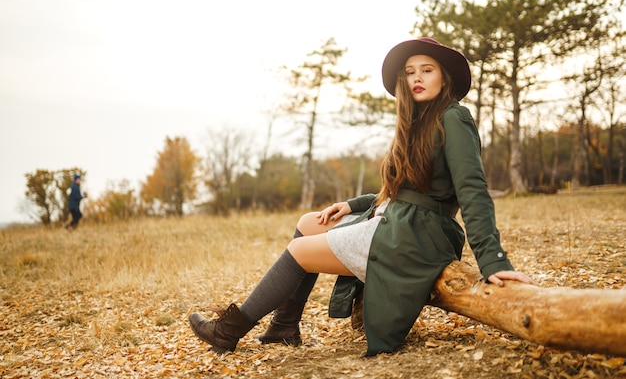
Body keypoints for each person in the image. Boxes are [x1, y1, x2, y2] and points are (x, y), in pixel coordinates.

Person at [188, 37, 535, 356]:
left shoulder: (454, 117)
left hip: (417, 237)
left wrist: (495, 262)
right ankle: (283, 327)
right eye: (410, 72)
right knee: (309, 224)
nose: (417, 78)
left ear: (443, 77)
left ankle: (228, 332)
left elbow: (472, 191)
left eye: (427, 71)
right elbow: (405, 190)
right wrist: (353, 206)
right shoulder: (416, 122)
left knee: (298, 252)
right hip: (397, 220)